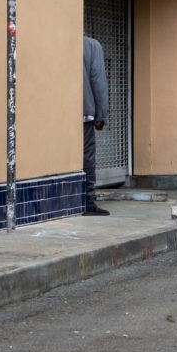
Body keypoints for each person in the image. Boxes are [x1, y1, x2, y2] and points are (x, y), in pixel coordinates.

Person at [83, 35, 110, 216]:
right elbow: (97, 80)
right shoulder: (91, 45)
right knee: (86, 156)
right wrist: (101, 114)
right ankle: (87, 201)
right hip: (84, 112)